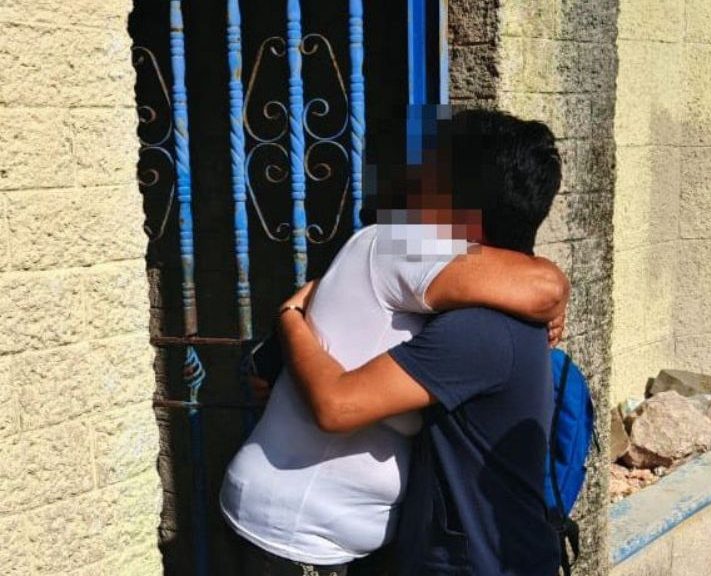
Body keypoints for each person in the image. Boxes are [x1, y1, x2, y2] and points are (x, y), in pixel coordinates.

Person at [220, 108, 569, 576]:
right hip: (292, 530)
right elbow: (544, 286)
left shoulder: (476, 310)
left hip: (338, 539)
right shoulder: (391, 247)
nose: (413, 194)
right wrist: (290, 321)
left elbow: (543, 287)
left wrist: (291, 317)